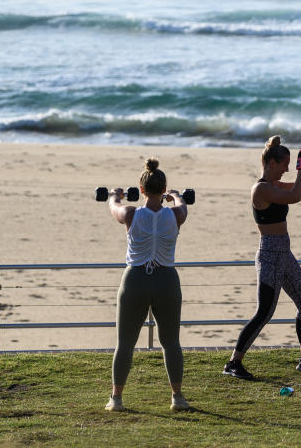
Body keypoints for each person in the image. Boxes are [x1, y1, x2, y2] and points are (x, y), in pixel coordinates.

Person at [223, 135, 301, 379]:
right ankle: (233, 363)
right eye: (284, 164)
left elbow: (300, 188)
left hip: (284, 252)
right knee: (265, 312)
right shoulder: (261, 188)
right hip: (270, 254)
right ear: (271, 163)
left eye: (289, 164)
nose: (286, 169)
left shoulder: (273, 186)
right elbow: (295, 196)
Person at [105, 158, 190, 412]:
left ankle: (116, 398)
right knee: (171, 341)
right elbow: (183, 206)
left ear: (141, 189)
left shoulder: (132, 214)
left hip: (136, 279)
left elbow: (115, 207)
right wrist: (175, 196)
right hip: (166, 280)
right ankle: (177, 397)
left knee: (125, 342)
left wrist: (114, 195)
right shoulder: (175, 214)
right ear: (163, 190)